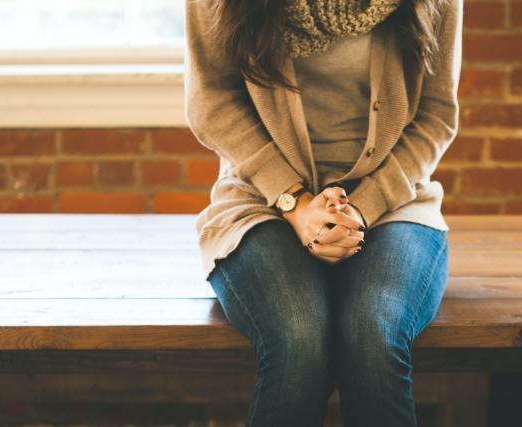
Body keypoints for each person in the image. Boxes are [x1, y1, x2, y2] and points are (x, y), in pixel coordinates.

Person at [183, 0, 462, 425]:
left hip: (394, 203)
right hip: (262, 200)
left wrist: (359, 210)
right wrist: (295, 202)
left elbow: (436, 117)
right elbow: (212, 103)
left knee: (373, 335)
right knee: (297, 337)